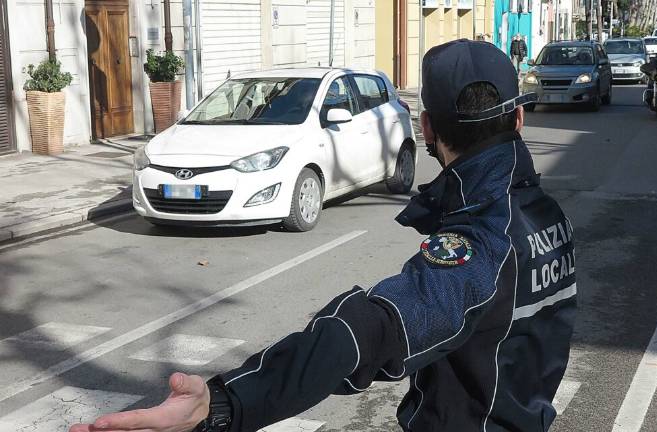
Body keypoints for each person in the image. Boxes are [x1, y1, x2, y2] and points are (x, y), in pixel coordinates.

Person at [69, 40, 577, 432]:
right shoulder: (545, 215)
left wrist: (226, 403)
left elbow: (374, 326)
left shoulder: (482, 238)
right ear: (518, 116)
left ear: (425, 127)